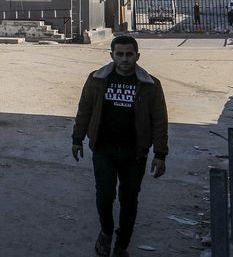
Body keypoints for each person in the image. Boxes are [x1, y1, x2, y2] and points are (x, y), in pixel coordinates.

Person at [72, 35, 168, 257]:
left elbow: (159, 120)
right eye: (120, 54)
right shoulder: (97, 79)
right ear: (112, 55)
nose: (125, 59)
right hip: (103, 149)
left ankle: (122, 244)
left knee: (129, 199)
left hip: (135, 153)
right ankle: (106, 232)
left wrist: (160, 153)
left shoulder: (150, 85)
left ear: (137, 56)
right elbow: (84, 109)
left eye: (129, 54)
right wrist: (77, 139)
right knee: (105, 195)